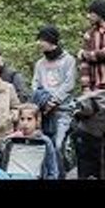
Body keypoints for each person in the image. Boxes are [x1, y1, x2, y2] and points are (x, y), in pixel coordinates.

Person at [30, 25, 75, 169]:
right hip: (43, 112)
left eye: (41, 39)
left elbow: (69, 84)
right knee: (43, 146)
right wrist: (43, 102)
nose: (38, 43)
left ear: (50, 40)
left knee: (58, 145)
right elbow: (35, 84)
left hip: (62, 111)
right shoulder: (39, 63)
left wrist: (54, 101)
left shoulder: (68, 60)